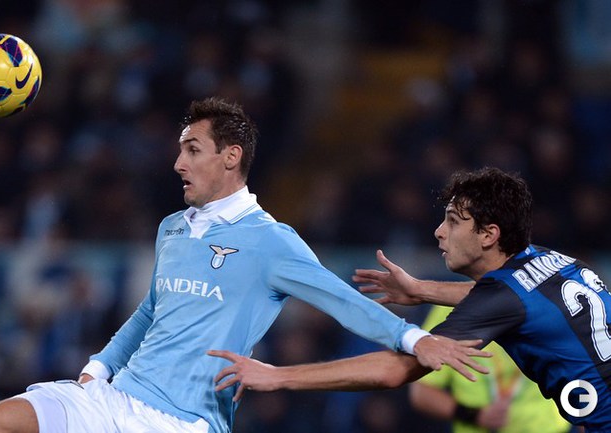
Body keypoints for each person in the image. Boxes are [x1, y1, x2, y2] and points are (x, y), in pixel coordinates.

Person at [0, 98, 489, 433]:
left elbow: (345, 302)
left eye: (192, 150)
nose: (178, 163)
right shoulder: (172, 227)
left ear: (231, 156)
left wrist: (415, 339)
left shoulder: (271, 241)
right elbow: (151, 310)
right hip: (113, 397)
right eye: (180, 150)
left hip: (182, 421)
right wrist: (98, 367)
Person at [210, 166, 611, 433]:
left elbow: (395, 370)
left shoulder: (503, 296)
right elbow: (511, 299)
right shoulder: (549, 260)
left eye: (453, 221)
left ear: (489, 235)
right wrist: (421, 290)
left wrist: (278, 376)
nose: (439, 232)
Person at [411, 305, 570, 433]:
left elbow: (580, 373)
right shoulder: (450, 310)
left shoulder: (548, 301)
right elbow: (422, 393)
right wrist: (475, 416)